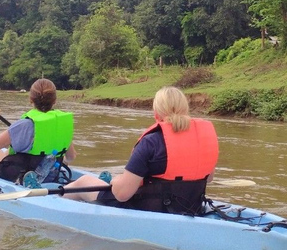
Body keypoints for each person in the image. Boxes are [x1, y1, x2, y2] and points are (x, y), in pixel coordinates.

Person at [63, 86, 219, 215]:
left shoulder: (151, 142)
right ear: (185, 109)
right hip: (190, 206)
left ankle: (53, 198)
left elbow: (122, 195)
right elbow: (209, 178)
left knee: (83, 182)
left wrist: (115, 181)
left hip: (148, 209)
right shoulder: (203, 137)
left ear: (156, 113)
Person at [0, 78, 77, 186]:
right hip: (50, 177)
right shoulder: (61, 125)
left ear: (31, 100)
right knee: (8, 151)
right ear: (54, 101)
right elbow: (71, 157)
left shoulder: (25, 125)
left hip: (17, 176)